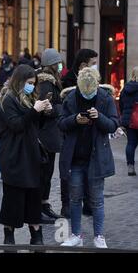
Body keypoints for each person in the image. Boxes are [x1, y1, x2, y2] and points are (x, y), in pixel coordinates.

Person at [59, 68, 119, 249]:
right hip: (75, 158)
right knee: (75, 198)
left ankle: (99, 236)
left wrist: (99, 117)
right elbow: (61, 123)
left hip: (96, 158)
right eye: (85, 91)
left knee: (97, 200)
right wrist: (75, 119)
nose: (88, 94)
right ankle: (76, 235)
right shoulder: (70, 98)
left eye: (90, 91)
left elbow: (113, 124)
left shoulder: (105, 98)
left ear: (96, 85)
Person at [0, 64, 52, 246]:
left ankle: (36, 235)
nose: (31, 86)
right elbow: (17, 125)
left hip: (31, 155)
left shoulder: (29, 98)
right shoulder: (8, 99)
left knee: (33, 196)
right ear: (20, 81)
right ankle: (9, 236)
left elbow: (35, 126)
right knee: (13, 197)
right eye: (29, 83)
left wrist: (44, 112)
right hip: (14, 155)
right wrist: (34, 111)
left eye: (33, 83)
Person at [60, 48, 99, 217]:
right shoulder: (68, 82)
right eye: (93, 64)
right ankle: (66, 204)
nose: (96, 67)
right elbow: (62, 116)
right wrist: (75, 119)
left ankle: (88, 202)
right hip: (71, 133)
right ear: (84, 65)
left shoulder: (95, 81)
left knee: (89, 167)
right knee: (69, 169)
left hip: (90, 133)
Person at [36, 49, 65, 222]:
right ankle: (38, 208)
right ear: (52, 65)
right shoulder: (46, 83)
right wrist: (60, 109)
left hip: (51, 134)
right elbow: (45, 108)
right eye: (58, 63)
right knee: (44, 173)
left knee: (47, 172)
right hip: (46, 135)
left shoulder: (52, 81)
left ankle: (44, 204)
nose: (60, 66)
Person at [120, 66, 138, 176]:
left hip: (130, 120)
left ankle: (130, 167)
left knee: (131, 143)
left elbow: (121, 104)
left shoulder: (126, 88)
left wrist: (124, 117)